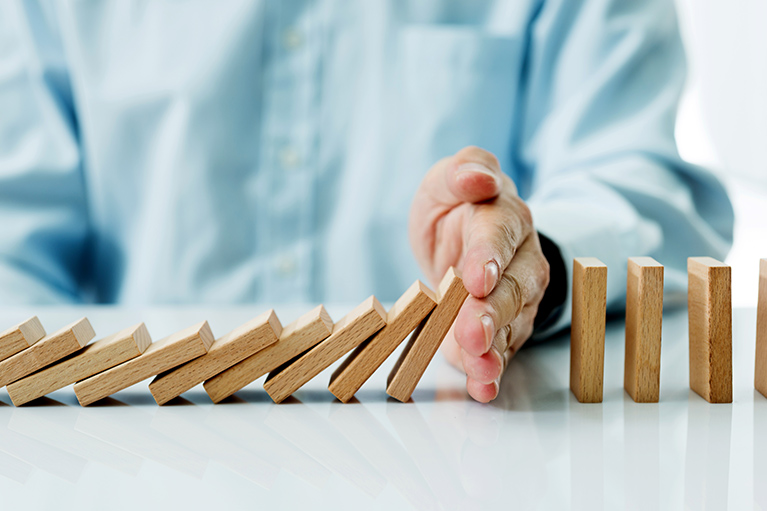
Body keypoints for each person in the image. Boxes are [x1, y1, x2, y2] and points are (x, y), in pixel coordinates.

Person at [0, 1, 733, 403]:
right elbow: (13, 238)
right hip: (128, 460)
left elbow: (641, 184)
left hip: (465, 459)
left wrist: (524, 265)